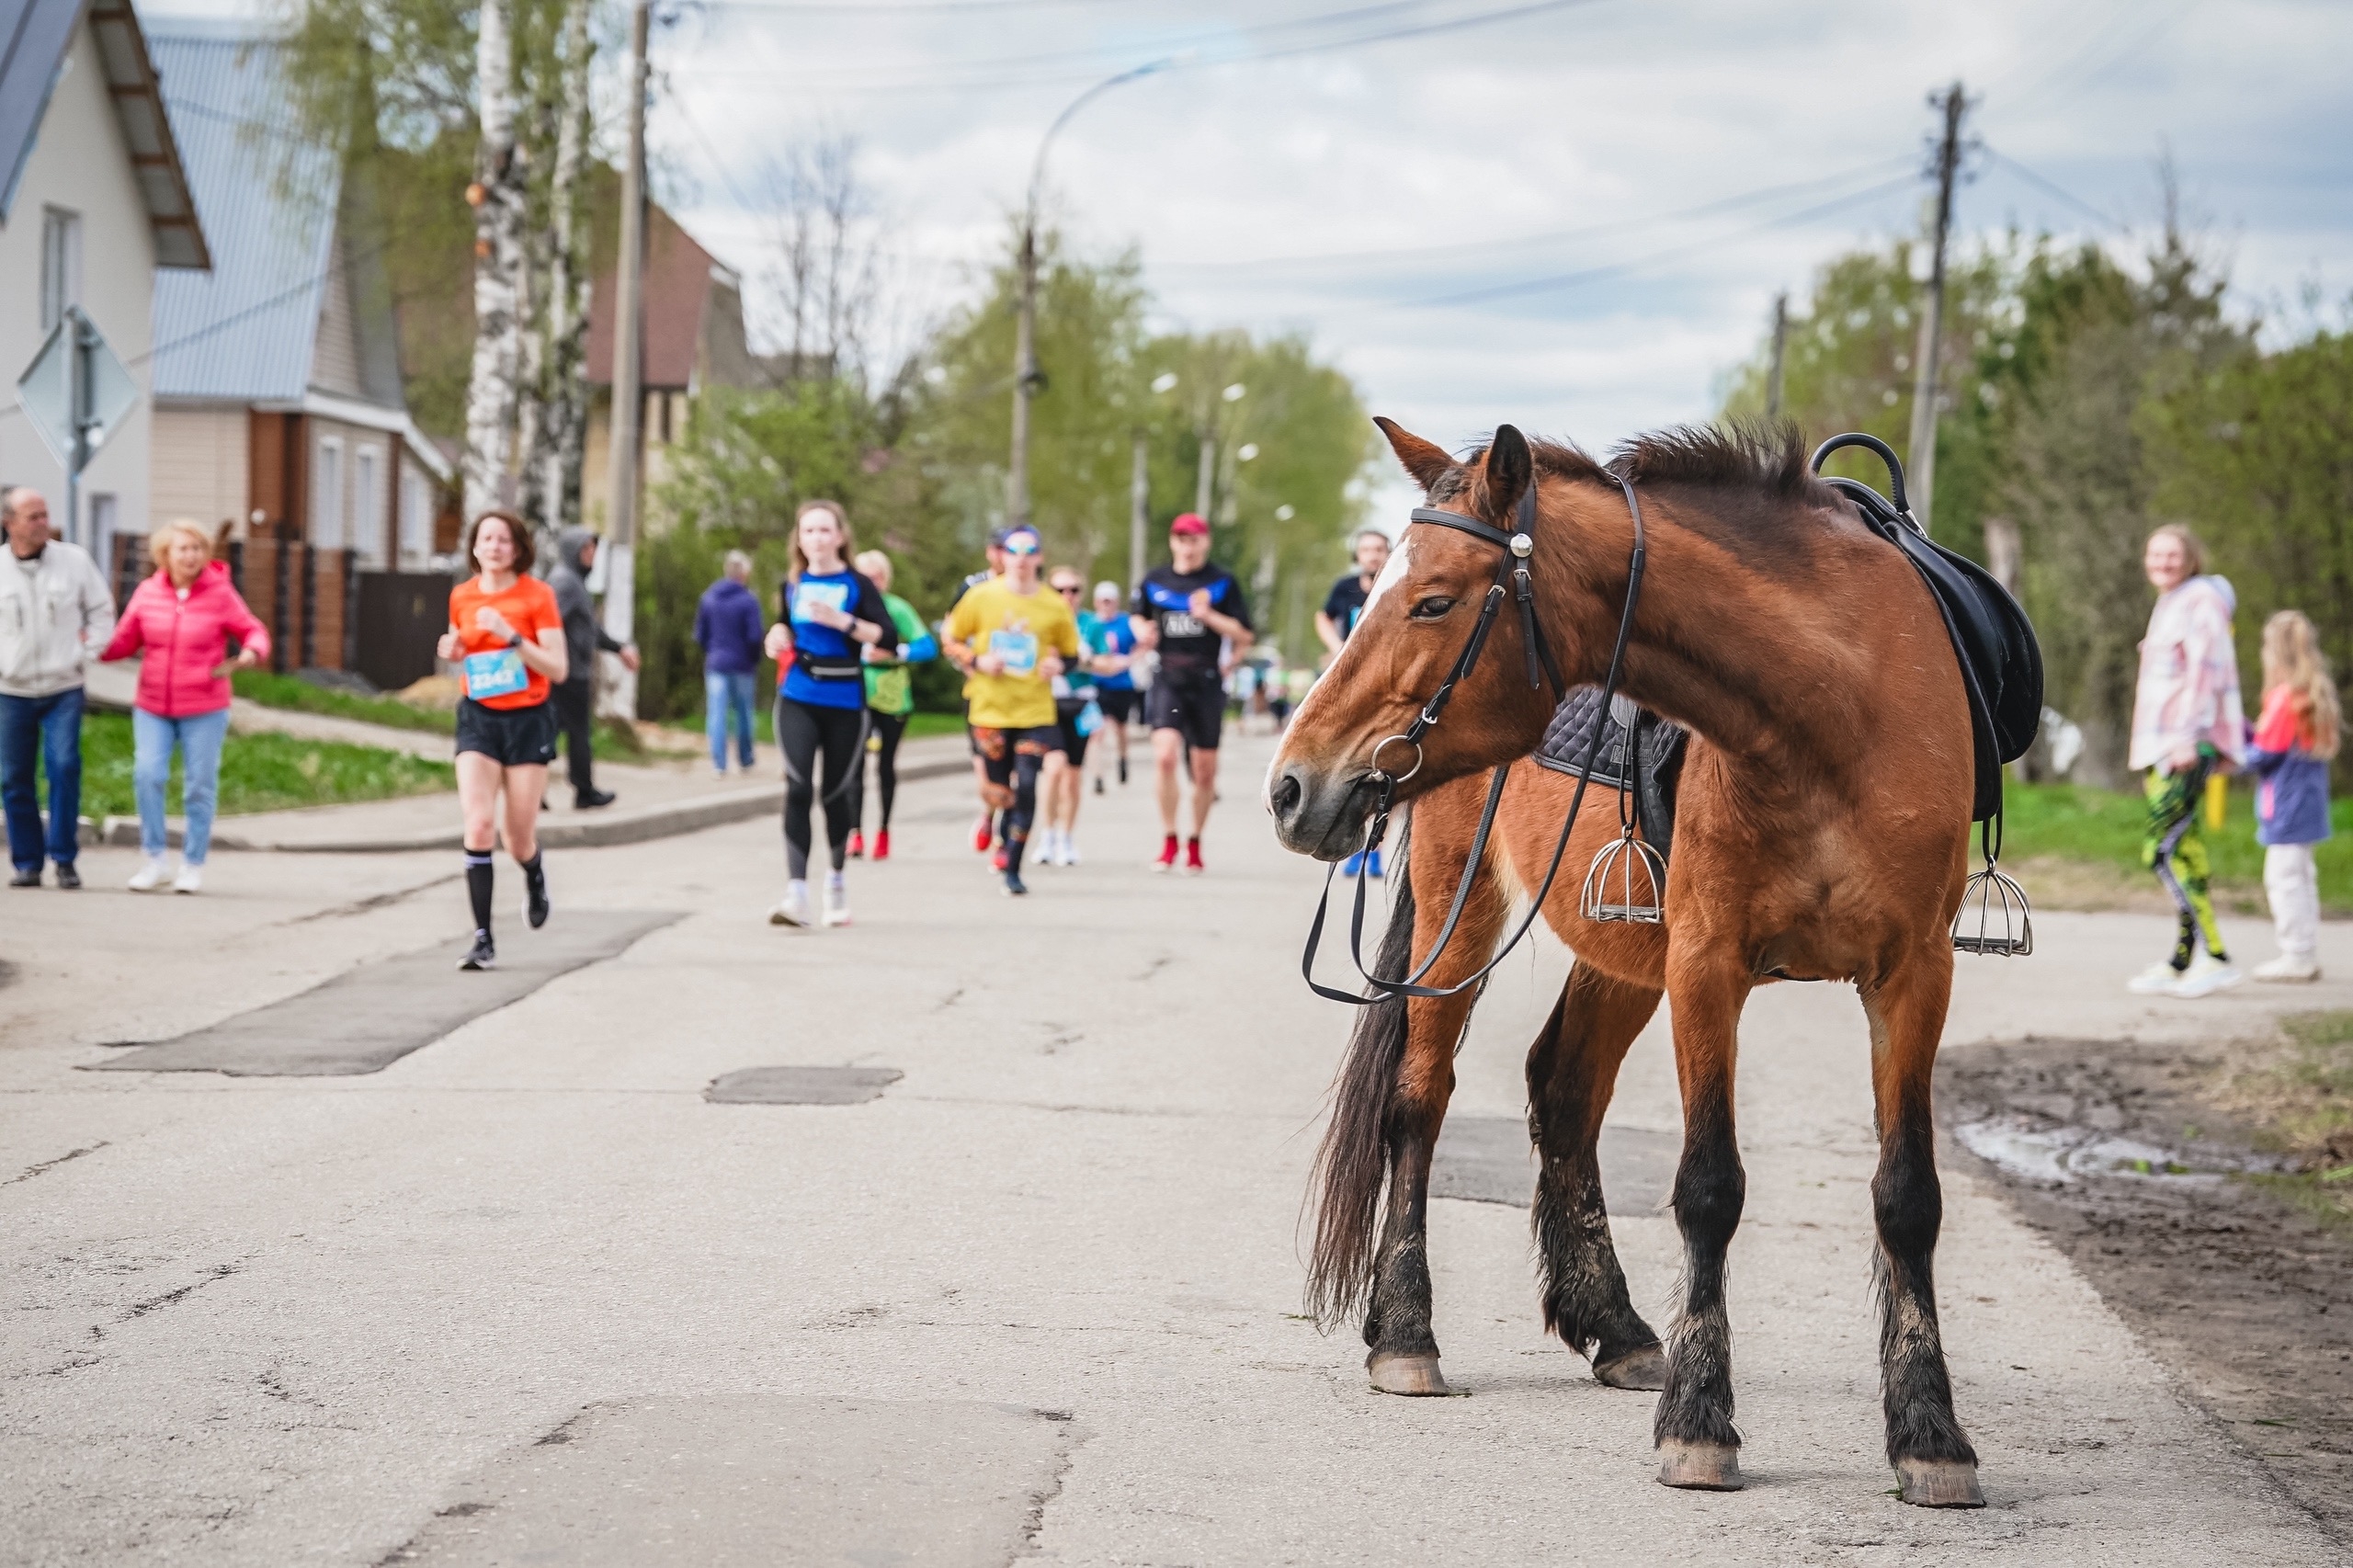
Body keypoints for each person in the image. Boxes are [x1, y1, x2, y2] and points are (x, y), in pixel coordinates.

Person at [99, 520, 269, 895]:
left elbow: (252, 629)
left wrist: (252, 651)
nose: (191, 555)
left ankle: (192, 864)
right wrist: (89, 646)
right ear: (165, 555)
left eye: (197, 548)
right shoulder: (147, 593)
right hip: (153, 705)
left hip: (205, 706)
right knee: (148, 775)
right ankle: (155, 860)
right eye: (183, 548)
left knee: (198, 786)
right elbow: (123, 642)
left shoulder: (220, 594)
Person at [438, 511, 565, 970]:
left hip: (529, 718)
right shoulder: (461, 596)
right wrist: (451, 649)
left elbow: (557, 667)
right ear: (474, 547)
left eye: (503, 539)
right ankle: (482, 938)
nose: (494, 546)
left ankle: (533, 872)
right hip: (478, 717)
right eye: (486, 538)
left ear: (516, 549)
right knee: (477, 826)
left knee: (517, 838)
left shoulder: (538, 595)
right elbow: (461, 647)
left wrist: (511, 637)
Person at [2125, 524, 2246, 998]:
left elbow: (2205, 671)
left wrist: (2188, 736)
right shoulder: (2171, 602)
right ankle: (2185, 959)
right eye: (2155, 554)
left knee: (2162, 850)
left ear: (2191, 557)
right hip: (2161, 747)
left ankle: (2214, 957)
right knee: (2186, 849)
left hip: (2183, 746)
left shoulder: (2201, 602)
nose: (2163, 562)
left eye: (2173, 554)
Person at [764, 500, 892, 928]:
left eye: (824, 531)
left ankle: (835, 878)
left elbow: (886, 635)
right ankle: (796, 893)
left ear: (840, 536)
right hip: (798, 694)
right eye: (808, 531)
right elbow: (783, 625)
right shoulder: (792, 583)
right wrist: (776, 635)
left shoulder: (857, 584)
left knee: (835, 793)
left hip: (845, 702)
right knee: (798, 787)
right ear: (798, 539)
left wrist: (844, 622)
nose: (816, 539)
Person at [943, 525, 1079, 897]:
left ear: (1039, 557)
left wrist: (1059, 667)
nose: (1020, 558)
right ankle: (1000, 838)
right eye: (1013, 550)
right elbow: (950, 638)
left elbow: (1071, 654)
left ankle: (1014, 867)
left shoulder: (1053, 604)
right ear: (1001, 556)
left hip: (1034, 711)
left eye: (1028, 550)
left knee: (1030, 785)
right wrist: (977, 659)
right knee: (1000, 792)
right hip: (989, 709)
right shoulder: (980, 596)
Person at [0, 486, 113, 889]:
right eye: (33, 516)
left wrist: (89, 652)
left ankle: (64, 858)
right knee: (14, 778)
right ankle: (27, 863)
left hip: (64, 685)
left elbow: (101, 610)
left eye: (45, 514)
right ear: (9, 523)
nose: (43, 522)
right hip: (11, 691)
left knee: (64, 766)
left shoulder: (74, 561)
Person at [1131, 512, 1252, 874]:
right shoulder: (1155, 580)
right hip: (1168, 677)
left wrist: (1210, 617)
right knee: (1165, 756)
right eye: (1181, 538)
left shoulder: (1222, 582)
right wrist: (1141, 631)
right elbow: (1136, 616)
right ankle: (1169, 838)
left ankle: (1194, 840)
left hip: (1207, 681)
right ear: (1172, 542)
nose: (1187, 545)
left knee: (1204, 773)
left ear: (1205, 541)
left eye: (1194, 538)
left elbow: (1244, 634)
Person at [2245, 609, 2338, 983]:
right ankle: (2303, 950)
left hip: (2287, 806)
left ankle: (2296, 955)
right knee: (2302, 877)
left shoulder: (2285, 699)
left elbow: (2265, 754)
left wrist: (2228, 752)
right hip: (2309, 803)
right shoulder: (2311, 694)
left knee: (2284, 880)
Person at [847, 547, 937, 861]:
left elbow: (927, 646)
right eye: (865, 577)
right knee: (854, 762)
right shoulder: (849, 607)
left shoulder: (897, 608)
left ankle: (883, 829)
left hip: (893, 693)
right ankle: (854, 831)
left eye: (877, 576)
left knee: (885, 765)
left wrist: (895, 652)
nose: (871, 582)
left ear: (886, 579)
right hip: (856, 691)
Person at [547, 528, 639, 809]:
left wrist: (619, 648)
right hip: (567, 673)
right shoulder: (565, 582)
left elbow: (590, 629)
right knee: (574, 733)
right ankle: (582, 791)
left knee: (557, 731)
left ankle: (539, 791)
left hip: (572, 670)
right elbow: (547, 624)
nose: (592, 555)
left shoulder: (574, 582)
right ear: (573, 551)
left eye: (593, 549)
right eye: (586, 549)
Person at [952, 529, 1011, 858]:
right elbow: (952, 632)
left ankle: (1003, 837)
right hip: (981, 690)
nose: (1008, 557)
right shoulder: (973, 586)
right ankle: (990, 815)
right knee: (987, 767)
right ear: (991, 552)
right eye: (1002, 549)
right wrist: (971, 664)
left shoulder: (1032, 592)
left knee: (1016, 770)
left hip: (1020, 694)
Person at [1036, 565, 1098, 866]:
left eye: (1073, 590)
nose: (1067, 596)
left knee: (1072, 777)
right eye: (1060, 590)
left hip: (1081, 703)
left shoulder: (1091, 624)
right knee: (1053, 768)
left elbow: (1108, 664)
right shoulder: (1041, 618)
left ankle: (1066, 837)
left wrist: (1086, 661)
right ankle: (1046, 835)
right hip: (1048, 703)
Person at [695, 549, 766, 778]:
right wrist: (754, 658)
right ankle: (745, 759)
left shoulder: (709, 598)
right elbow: (755, 636)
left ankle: (719, 763)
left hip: (716, 663)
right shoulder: (748, 601)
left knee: (716, 713)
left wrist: (713, 651)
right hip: (743, 665)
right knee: (744, 713)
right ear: (744, 573)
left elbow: (700, 634)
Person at [1081, 580, 1138, 794]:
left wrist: (1129, 660)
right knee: (1097, 731)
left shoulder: (1125, 623)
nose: (1106, 605)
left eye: (1110, 601)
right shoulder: (1091, 624)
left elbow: (1141, 644)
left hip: (1122, 684)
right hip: (1097, 684)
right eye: (1103, 601)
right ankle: (1098, 776)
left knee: (1121, 729)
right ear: (1096, 602)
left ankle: (1123, 759)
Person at [1316, 528, 1392, 664]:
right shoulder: (1344, 587)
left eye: (1379, 550)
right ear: (1356, 556)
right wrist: (1337, 647)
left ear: (1390, 554)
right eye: (1366, 550)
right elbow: (1323, 617)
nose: (1373, 556)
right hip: (1352, 664)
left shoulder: (1397, 588)